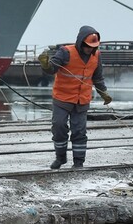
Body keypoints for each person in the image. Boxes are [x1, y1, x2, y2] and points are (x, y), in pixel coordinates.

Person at [38, 25, 111, 169]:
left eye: (92, 46)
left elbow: (98, 77)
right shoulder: (65, 52)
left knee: (79, 131)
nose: (90, 49)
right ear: (80, 42)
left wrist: (103, 92)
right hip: (62, 99)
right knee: (59, 126)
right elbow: (52, 69)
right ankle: (60, 158)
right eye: (87, 46)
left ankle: (78, 162)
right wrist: (45, 64)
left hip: (81, 101)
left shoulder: (97, 56)